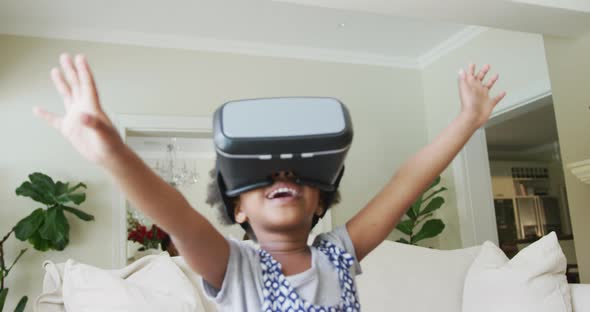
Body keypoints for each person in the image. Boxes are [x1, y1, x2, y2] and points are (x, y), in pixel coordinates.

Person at [33, 53, 505, 311]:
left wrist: (467, 119)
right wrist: (111, 151)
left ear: (321, 199)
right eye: (263, 178)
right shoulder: (234, 266)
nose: (283, 177)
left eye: (299, 175)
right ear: (237, 209)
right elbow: (177, 216)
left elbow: (405, 183)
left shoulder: (338, 253)